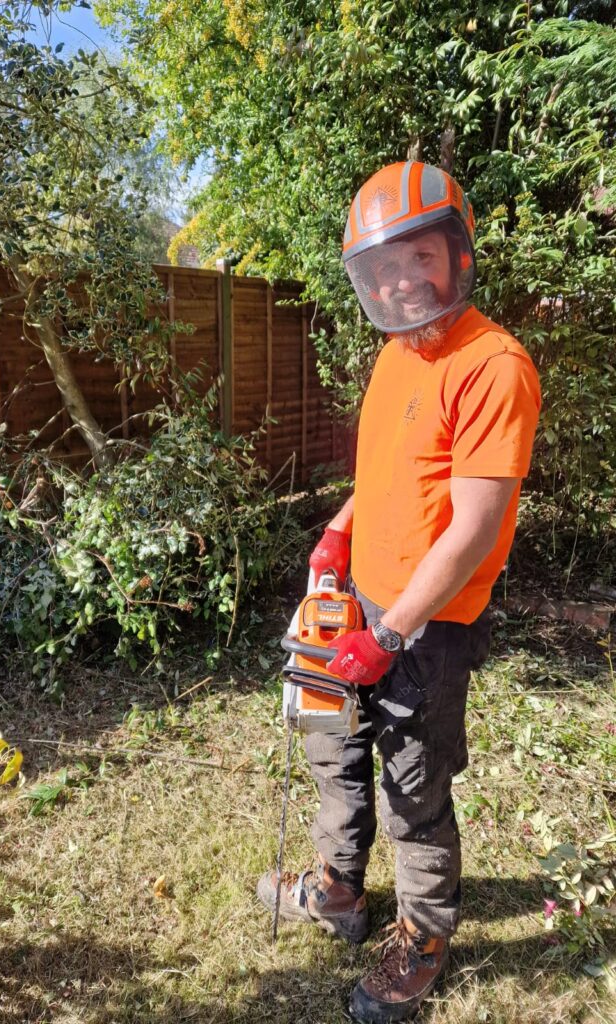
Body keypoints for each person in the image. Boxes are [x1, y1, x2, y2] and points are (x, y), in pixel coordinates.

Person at [257, 161, 541, 1023]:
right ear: (367, 278)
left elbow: (473, 528)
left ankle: (422, 934)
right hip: (360, 598)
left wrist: (392, 633)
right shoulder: (394, 354)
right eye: (386, 266)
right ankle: (339, 891)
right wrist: (342, 529)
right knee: (330, 745)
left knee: (412, 784)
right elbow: (386, 477)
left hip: (429, 626)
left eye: (421, 256)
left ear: (456, 253)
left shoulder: (494, 365)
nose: (403, 279)